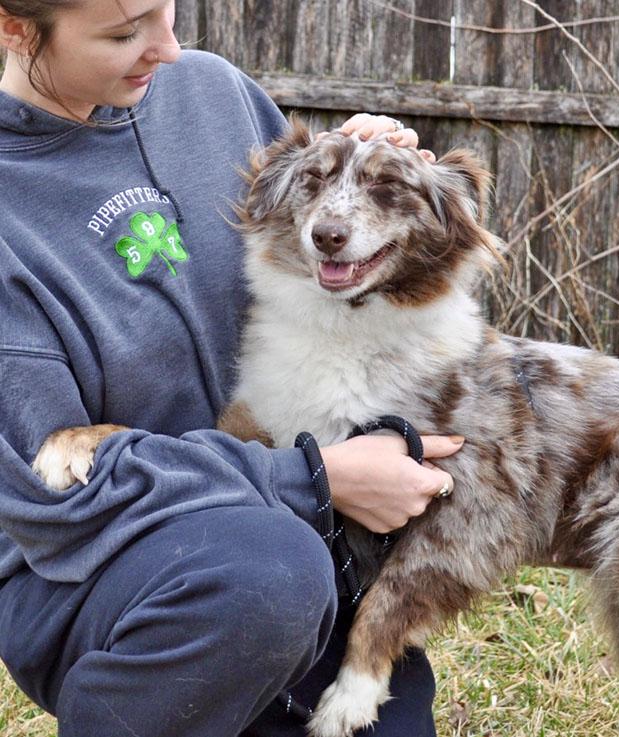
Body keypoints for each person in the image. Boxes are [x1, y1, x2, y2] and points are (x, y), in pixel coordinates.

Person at [0, 1, 462, 735]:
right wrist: (313, 476)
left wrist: (371, 186)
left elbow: (308, 271)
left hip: (305, 540)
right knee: (270, 573)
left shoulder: (213, 93)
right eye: (125, 33)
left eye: (167, 10)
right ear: (15, 28)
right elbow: (49, 505)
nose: (171, 50)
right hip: (112, 569)